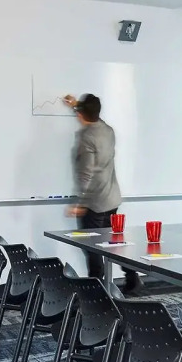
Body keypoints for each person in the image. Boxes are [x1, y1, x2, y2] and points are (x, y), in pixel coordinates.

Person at [63, 93, 142, 293]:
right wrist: (77, 106)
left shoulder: (86, 137)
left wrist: (80, 203)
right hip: (111, 198)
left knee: (92, 247)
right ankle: (132, 277)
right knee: (114, 243)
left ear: (81, 114)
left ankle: (96, 289)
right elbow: (95, 118)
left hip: (94, 202)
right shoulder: (108, 130)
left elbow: (86, 174)